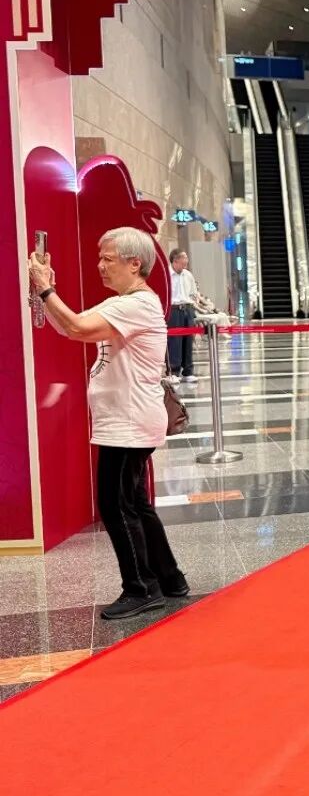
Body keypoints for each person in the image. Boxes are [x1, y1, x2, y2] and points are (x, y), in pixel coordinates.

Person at [27, 227, 191, 620]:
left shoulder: (136, 304)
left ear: (135, 264)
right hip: (127, 419)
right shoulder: (125, 302)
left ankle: (141, 588)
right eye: (100, 257)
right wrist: (46, 291)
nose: (100, 265)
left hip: (128, 422)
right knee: (134, 502)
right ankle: (169, 578)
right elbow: (72, 326)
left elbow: (77, 327)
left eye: (108, 259)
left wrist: (46, 289)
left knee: (116, 505)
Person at [167, 248, 202, 384]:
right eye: (184, 258)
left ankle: (188, 371)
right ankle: (174, 372)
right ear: (175, 260)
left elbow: (193, 292)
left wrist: (193, 304)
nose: (186, 261)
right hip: (173, 310)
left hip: (188, 309)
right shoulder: (166, 274)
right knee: (174, 342)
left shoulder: (188, 275)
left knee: (188, 341)